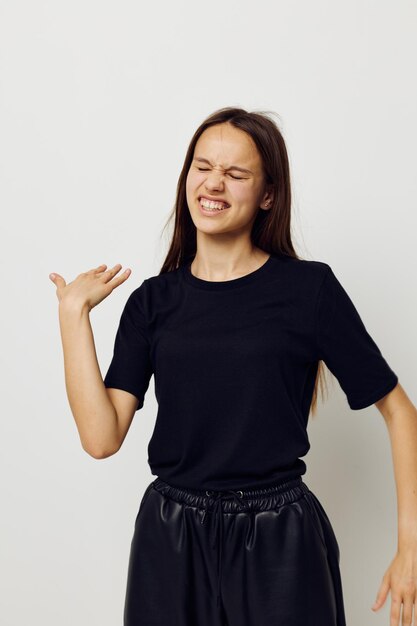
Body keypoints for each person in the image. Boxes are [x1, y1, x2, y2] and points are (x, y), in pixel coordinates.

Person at [50, 107, 415, 626]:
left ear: (267, 194)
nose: (213, 183)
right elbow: (100, 437)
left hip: (280, 541)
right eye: (202, 167)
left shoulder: (309, 291)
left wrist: (410, 548)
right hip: (169, 538)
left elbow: (400, 411)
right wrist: (73, 317)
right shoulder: (153, 303)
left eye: (235, 173)